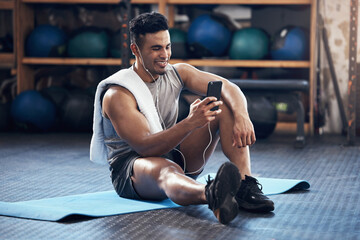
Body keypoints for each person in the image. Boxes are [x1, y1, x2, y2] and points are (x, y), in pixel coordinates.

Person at [91, 12, 274, 225]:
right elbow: (146, 148)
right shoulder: (118, 94)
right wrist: (190, 122)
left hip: (173, 152)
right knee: (166, 169)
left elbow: (229, 87)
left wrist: (242, 115)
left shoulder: (177, 73)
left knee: (222, 104)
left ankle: (244, 185)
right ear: (136, 50)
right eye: (156, 48)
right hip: (134, 169)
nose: (164, 55)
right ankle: (212, 194)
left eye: (167, 46)